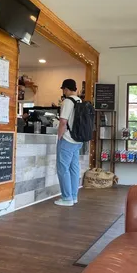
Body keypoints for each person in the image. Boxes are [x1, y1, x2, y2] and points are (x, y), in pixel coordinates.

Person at [55, 79, 83, 207]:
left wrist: (59, 137)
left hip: (67, 139)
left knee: (63, 169)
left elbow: (63, 122)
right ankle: (74, 196)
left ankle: (67, 198)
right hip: (78, 140)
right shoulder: (80, 101)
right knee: (74, 168)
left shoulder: (67, 101)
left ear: (66, 89)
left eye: (63, 89)